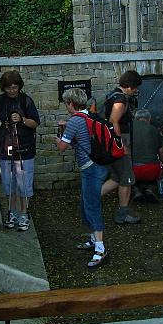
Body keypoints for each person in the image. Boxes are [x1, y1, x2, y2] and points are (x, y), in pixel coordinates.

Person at [55, 88, 111, 267]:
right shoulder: (90, 116)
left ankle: (101, 249)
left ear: (71, 104)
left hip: (90, 169)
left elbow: (62, 147)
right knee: (84, 202)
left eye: (66, 103)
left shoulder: (74, 121)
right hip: (101, 165)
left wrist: (58, 138)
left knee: (92, 206)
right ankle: (93, 240)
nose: (66, 106)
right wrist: (68, 126)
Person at [0, 71, 40, 231]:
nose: (11, 91)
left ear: (19, 87)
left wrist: (22, 120)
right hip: (5, 145)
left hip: (24, 146)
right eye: (8, 88)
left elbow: (35, 123)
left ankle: (24, 214)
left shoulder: (26, 100)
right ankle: (11, 212)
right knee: (8, 182)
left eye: (14, 87)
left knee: (24, 182)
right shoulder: (1, 100)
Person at [100, 70, 143, 225]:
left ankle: (89, 199)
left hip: (110, 144)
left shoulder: (112, 95)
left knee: (116, 179)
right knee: (127, 179)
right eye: (136, 87)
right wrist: (120, 144)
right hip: (118, 144)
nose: (137, 90)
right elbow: (113, 120)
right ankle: (122, 214)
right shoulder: (120, 99)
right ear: (130, 86)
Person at [130, 108, 163, 202]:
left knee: (130, 172)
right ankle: (151, 188)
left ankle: (136, 190)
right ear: (149, 119)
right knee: (154, 174)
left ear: (135, 118)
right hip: (151, 169)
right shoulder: (155, 131)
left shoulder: (129, 129)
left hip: (132, 169)